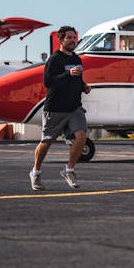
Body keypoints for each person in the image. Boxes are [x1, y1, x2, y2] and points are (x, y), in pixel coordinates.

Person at [29, 25, 91, 191]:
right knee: (46, 142)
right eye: (69, 37)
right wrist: (68, 74)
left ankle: (69, 170)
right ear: (61, 40)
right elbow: (48, 82)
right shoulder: (54, 59)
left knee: (81, 136)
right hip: (55, 108)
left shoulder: (77, 59)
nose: (73, 40)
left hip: (74, 108)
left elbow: (77, 80)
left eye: (74, 37)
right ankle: (35, 172)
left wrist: (84, 86)